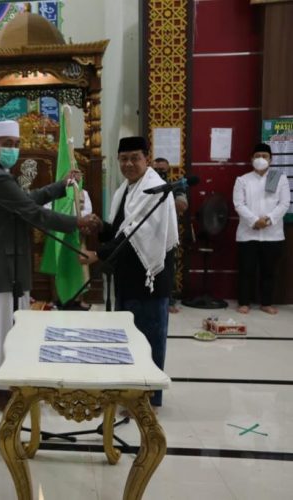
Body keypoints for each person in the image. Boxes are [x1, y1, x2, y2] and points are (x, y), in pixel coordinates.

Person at [0, 120, 99, 411]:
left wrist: (60, 186)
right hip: (0, 267)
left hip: (8, 265)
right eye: (7, 144)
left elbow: (26, 200)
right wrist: (76, 222)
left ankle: (4, 383)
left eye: (16, 145)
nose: (13, 150)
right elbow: (30, 212)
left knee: (8, 329)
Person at [80, 136, 178, 407]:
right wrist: (102, 227)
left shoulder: (155, 189)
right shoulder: (125, 189)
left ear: (147, 158)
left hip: (149, 280)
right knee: (128, 340)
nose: (129, 164)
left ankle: (148, 400)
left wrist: (97, 254)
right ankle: (130, 393)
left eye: (135, 157)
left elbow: (137, 235)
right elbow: (122, 231)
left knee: (149, 341)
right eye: (123, 158)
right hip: (126, 277)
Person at [232, 143, 290, 315]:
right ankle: (244, 302)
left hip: (273, 235)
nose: (261, 159)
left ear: (271, 159)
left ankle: (266, 303)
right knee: (246, 270)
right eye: (257, 156)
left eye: (264, 156)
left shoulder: (280, 178)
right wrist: (254, 221)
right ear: (251, 159)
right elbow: (238, 204)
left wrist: (269, 219)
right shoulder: (242, 180)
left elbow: (284, 203)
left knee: (269, 271)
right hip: (247, 233)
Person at [153, 157, 187, 313]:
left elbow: (182, 205)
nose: (160, 173)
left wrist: (168, 194)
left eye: (163, 170)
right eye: (156, 170)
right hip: (149, 234)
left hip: (168, 234)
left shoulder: (176, 186)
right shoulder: (146, 187)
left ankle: (170, 301)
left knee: (168, 268)